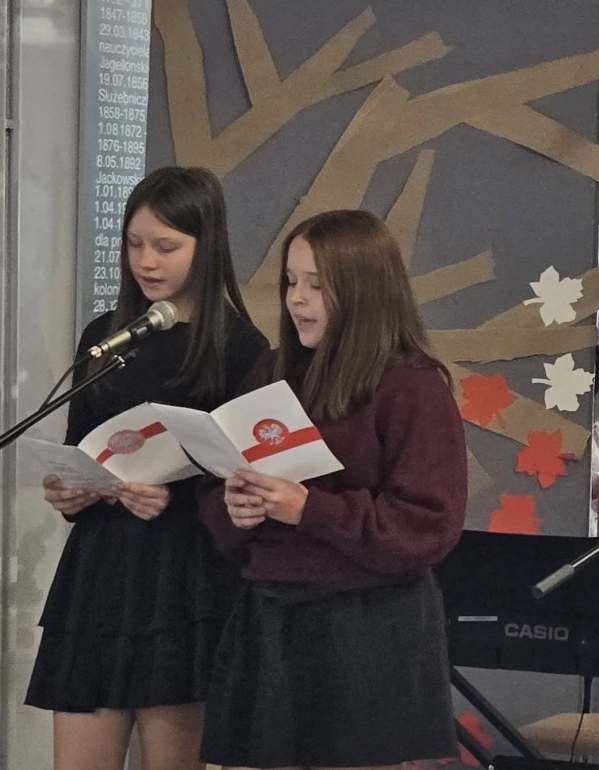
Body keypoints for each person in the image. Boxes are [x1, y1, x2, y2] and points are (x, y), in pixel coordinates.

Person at [196, 209, 466, 770]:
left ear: (364, 291)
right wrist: (234, 508)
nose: (297, 299)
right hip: (270, 616)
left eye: (317, 285)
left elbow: (427, 525)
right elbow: (221, 485)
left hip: (365, 629)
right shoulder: (272, 372)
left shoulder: (413, 386)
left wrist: (309, 509)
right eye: (291, 281)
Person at [29, 166, 268, 770]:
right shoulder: (106, 338)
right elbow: (81, 446)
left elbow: (246, 481)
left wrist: (173, 496)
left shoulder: (241, 348)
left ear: (206, 247)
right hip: (99, 572)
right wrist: (72, 490)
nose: (146, 261)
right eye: (135, 244)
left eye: (166, 246)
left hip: (184, 578)